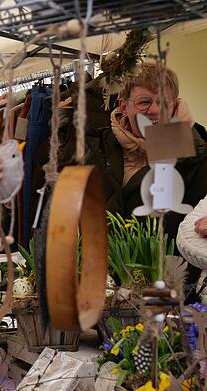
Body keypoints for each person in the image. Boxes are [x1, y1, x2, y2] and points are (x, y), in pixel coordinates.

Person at [86, 62, 207, 281]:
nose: (154, 110)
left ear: (176, 106)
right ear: (123, 106)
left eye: (164, 102)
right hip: (104, 286)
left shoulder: (197, 157)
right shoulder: (96, 148)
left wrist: (180, 136)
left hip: (172, 289)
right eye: (144, 102)